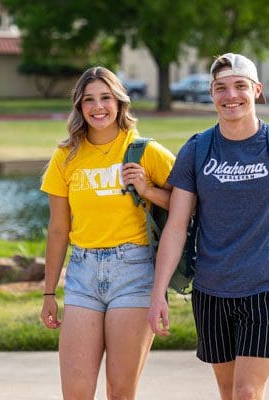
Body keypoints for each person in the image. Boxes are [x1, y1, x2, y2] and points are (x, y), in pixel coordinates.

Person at [147, 53, 269, 400]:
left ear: (257, 90)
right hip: (211, 290)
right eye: (221, 88)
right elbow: (177, 226)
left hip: (265, 288)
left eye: (240, 86)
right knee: (228, 392)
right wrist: (158, 293)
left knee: (246, 392)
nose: (231, 96)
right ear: (211, 95)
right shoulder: (196, 150)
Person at [40, 66, 175, 399]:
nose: (97, 107)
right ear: (79, 106)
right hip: (83, 274)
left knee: (120, 392)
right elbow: (58, 230)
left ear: (119, 102)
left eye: (105, 98)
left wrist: (147, 190)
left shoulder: (145, 151)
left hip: (134, 271)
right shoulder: (65, 156)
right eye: (89, 100)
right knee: (75, 393)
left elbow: (188, 203)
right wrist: (48, 294)